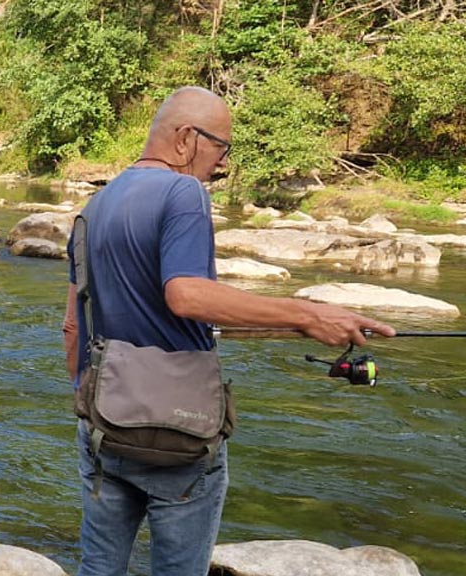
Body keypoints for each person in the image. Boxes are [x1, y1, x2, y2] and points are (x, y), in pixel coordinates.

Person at [62, 87, 394, 576]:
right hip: (181, 434)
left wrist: (87, 404)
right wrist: (307, 314)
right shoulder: (183, 193)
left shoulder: (93, 208)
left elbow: (73, 326)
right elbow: (186, 296)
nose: (222, 165)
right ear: (185, 138)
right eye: (222, 148)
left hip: (102, 426)